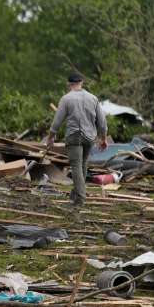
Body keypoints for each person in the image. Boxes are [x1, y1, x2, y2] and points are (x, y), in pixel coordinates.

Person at [44, 72, 108, 208]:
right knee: (83, 165)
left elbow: (57, 122)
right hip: (90, 137)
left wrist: (51, 137)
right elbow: (102, 122)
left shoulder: (66, 99)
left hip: (74, 136)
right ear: (82, 83)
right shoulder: (93, 98)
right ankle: (75, 194)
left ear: (69, 84)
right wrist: (103, 138)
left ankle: (80, 199)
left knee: (76, 166)